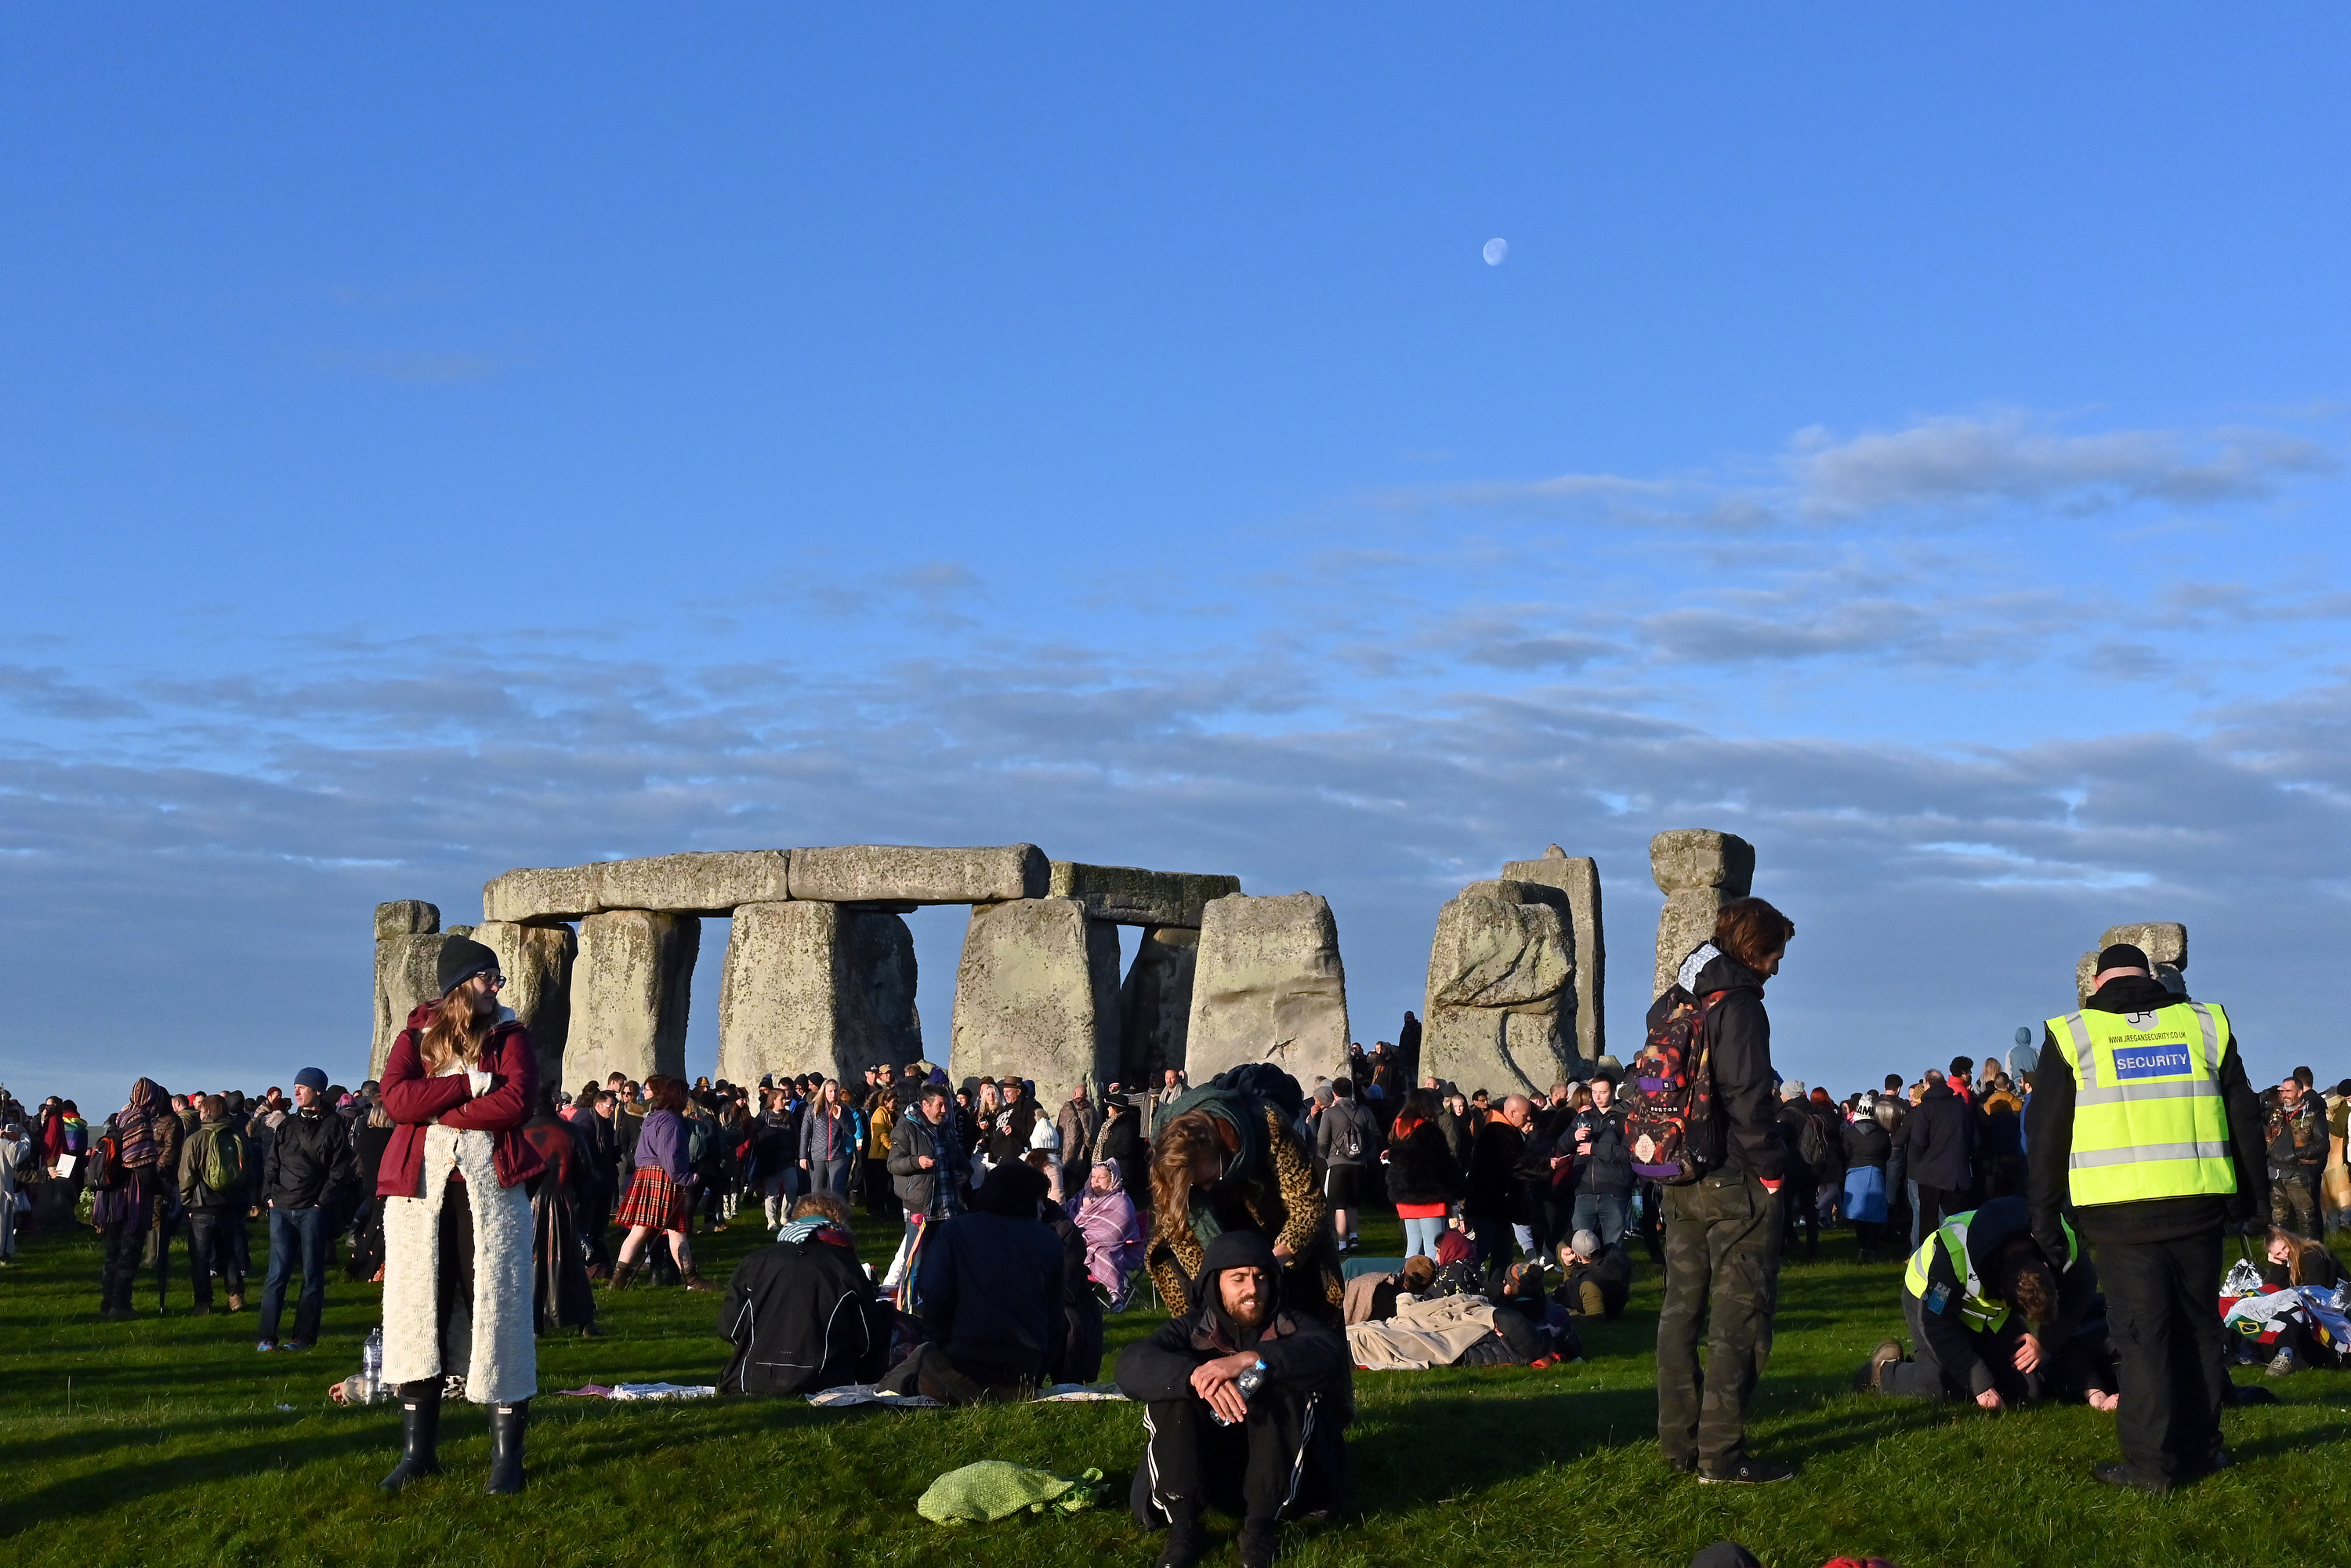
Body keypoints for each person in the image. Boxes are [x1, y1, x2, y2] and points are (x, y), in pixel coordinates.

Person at [2027, 941, 2268, 1493]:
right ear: (2154, 978)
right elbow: (2245, 1115)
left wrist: (2044, 1218)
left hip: (2120, 1218)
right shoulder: (2204, 1024)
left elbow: (2045, 1136)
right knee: (2199, 1330)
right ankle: (2203, 1449)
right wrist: (2253, 1204)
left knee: (2141, 1338)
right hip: (2198, 1205)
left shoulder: (2075, 1034)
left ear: (2096, 984)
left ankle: (2150, 1467)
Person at [376, 936, 544, 1495]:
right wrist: (468, 1085)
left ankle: (506, 1459)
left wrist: (438, 1105)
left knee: (497, 1308)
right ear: (458, 986)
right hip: (420, 1196)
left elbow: (517, 1101)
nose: (496, 986)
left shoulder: (512, 1037)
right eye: (486, 977)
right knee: (419, 1310)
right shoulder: (413, 1036)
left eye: (497, 977)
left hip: (490, 1195)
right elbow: (397, 1100)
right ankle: (417, 1453)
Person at [1655, 897, 1797, 1485]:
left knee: (1680, 1309)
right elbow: (1746, 1095)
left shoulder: (1674, 1000)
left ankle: (1678, 1442)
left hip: (1678, 1171)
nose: (1775, 967)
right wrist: (1770, 1168)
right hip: (1734, 1176)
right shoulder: (1737, 1005)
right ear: (1750, 947)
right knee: (1739, 1314)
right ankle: (1722, 1453)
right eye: (1772, 954)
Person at [1114, 1229, 1352, 1568]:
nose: (1252, 1289)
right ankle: (1184, 1525)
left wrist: (1253, 1358)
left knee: (1283, 1384)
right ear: (1215, 1283)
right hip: (1209, 1470)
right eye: (1238, 1279)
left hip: (1283, 1477)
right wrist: (1194, 1378)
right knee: (1172, 1394)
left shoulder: (1293, 1325)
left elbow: (1326, 1352)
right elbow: (1131, 1364)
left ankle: (1260, 1528)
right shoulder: (1191, 1328)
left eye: (1260, 1278)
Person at [1863, 1195, 2116, 1410]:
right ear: (2001, 1288)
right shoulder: (1952, 1257)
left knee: (2028, 1390)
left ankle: (1974, 1361)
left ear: (2047, 1265)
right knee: (1947, 1386)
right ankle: (1882, 1373)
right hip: (1928, 1303)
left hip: (1992, 1314)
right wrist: (1979, 1383)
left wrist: (2044, 1340)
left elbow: (2081, 1290)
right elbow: (1937, 1323)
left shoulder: (2058, 1240)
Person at [1147, 1074, 1342, 1320]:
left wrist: (1270, 1264)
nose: (1206, 1190)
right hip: (1223, 1228)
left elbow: (1308, 1207)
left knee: (1303, 1323)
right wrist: (1217, 1284)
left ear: (1223, 1152)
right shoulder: (1168, 1155)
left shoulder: (1268, 1126)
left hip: (1283, 1235)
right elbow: (1180, 1231)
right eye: (1197, 1187)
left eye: (1209, 1180)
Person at [880, 1157, 1064, 1403]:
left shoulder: (956, 1231)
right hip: (1024, 1363)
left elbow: (936, 1293)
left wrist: (940, 1342)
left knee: (917, 1361)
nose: (1043, 1208)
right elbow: (1056, 1317)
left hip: (966, 1357)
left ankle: (924, 1383)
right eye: (1039, 1199)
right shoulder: (1048, 1239)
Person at [717, 1192, 893, 1394]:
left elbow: (729, 1328)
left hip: (750, 1379)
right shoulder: (846, 1267)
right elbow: (868, 1339)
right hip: (823, 1381)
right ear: (838, 1222)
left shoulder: (755, 1262)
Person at [256, 1067, 357, 1351]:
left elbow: (340, 1168)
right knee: (277, 1275)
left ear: (318, 1090)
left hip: (312, 1209)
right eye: (296, 1086)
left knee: (312, 1275)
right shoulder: (287, 1124)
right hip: (281, 1208)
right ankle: (266, 1337)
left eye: (303, 1087)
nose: (296, 1091)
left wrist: (321, 1202)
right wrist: (269, 1197)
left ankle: (304, 1337)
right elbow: (272, 1162)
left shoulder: (335, 1124)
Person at [609, 1076, 716, 1291]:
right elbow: (670, 1156)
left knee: (639, 1231)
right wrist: (685, 1178)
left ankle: (617, 1281)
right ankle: (692, 1280)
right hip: (663, 1177)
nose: (687, 1099)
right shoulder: (671, 1121)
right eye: (685, 1095)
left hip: (646, 1175)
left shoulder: (652, 1118)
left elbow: (640, 1154)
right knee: (676, 1230)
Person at [883, 1081, 962, 1296]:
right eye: (940, 1105)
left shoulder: (946, 1129)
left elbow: (958, 1157)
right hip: (920, 1208)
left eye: (946, 1105)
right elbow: (893, 1164)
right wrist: (917, 1161)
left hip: (947, 1207)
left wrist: (965, 1172)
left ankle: (936, 1303)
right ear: (925, 1105)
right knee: (915, 1263)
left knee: (945, 1261)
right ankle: (908, 1307)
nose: (944, 1110)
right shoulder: (905, 1129)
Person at [177, 1095, 249, 1315]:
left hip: (202, 1205)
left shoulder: (195, 1139)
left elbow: (186, 1175)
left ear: (206, 1113)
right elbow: (249, 1170)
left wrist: (187, 1202)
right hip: (230, 1203)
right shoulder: (238, 1137)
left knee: (200, 1256)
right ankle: (236, 1296)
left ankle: (203, 1302)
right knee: (228, 1252)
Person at [1464, 1093, 1539, 1276]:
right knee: (1482, 1250)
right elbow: (1513, 1165)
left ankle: (1496, 1291)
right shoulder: (1496, 1133)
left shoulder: (1505, 1132)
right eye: (1525, 1115)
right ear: (1512, 1113)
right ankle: (1461, 1282)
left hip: (1501, 1206)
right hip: (1487, 1204)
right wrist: (1544, 1166)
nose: (1528, 1119)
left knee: (1504, 1253)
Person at [1382, 1088, 1460, 1262]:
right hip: (1429, 1194)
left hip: (1405, 1195)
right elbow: (1444, 1162)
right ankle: (1430, 1285)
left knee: (1413, 1246)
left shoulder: (1400, 1127)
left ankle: (1407, 1281)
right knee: (1434, 1247)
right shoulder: (1429, 1131)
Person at [1068, 1157, 1147, 1309]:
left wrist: (1083, 1238)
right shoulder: (1082, 1197)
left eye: (1101, 1178)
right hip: (1082, 1242)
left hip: (1124, 1249)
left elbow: (1114, 1232)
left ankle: (1116, 1295)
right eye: (1093, 1177)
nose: (1095, 1181)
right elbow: (1067, 1217)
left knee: (1100, 1252)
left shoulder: (1121, 1202)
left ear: (1112, 1180)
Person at [1905, 1070, 1976, 1239]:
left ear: (1927, 1084)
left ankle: (1928, 1260)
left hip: (1930, 1173)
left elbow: (1918, 1141)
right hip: (1957, 1173)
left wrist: (1920, 1163)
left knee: (1928, 1222)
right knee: (1956, 1224)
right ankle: (1955, 1259)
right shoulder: (1962, 1107)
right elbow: (1974, 1140)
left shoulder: (1926, 1108)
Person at [1313, 1077, 1381, 1253]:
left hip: (1337, 1162)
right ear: (1350, 1091)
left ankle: (1342, 1243)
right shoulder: (1363, 1112)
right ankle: (1355, 1237)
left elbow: (1322, 1140)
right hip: (1359, 1163)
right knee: (1353, 1203)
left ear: (1334, 1093)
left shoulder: (1329, 1114)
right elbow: (1370, 1140)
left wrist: (1324, 1156)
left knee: (1339, 1205)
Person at [2263, 1072, 2327, 1240]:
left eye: (2289, 1091)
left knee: (2306, 1219)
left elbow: (2322, 1144)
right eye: (2282, 1091)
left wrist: (2296, 1154)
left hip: (2298, 1174)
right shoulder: (2275, 1115)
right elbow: (2250, 1110)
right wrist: (2269, 1092)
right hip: (2276, 1174)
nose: (2284, 1095)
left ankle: (2311, 1256)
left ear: (2299, 1093)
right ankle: (2285, 1257)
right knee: (2279, 1220)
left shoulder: (2312, 1115)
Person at [1571, 1075, 1634, 1248]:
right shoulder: (1584, 1116)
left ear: (1613, 1092)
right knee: (1581, 1246)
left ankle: (1613, 1275)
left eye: (1603, 1092)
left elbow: (1630, 1154)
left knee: (1613, 1247)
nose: (1597, 1097)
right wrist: (1572, 1137)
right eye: (1594, 1092)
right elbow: (1562, 1145)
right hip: (1584, 1190)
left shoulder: (1626, 1117)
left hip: (1613, 1191)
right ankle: (1582, 1276)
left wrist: (1595, 1149)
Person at [1842, 1097, 1895, 1262]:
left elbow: (1845, 1154)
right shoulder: (1882, 1133)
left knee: (1859, 1214)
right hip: (1876, 1171)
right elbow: (1888, 1154)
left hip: (1855, 1172)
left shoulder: (1850, 1132)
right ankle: (1873, 1249)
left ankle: (1862, 1248)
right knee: (1875, 1215)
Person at [1559, 1226, 1633, 1320]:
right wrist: (1569, 1264)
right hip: (1615, 1307)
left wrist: (1566, 1313)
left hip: (1566, 1303)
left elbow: (1595, 1318)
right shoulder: (1614, 1259)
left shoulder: (1589, 1284)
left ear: (1578, 1255)